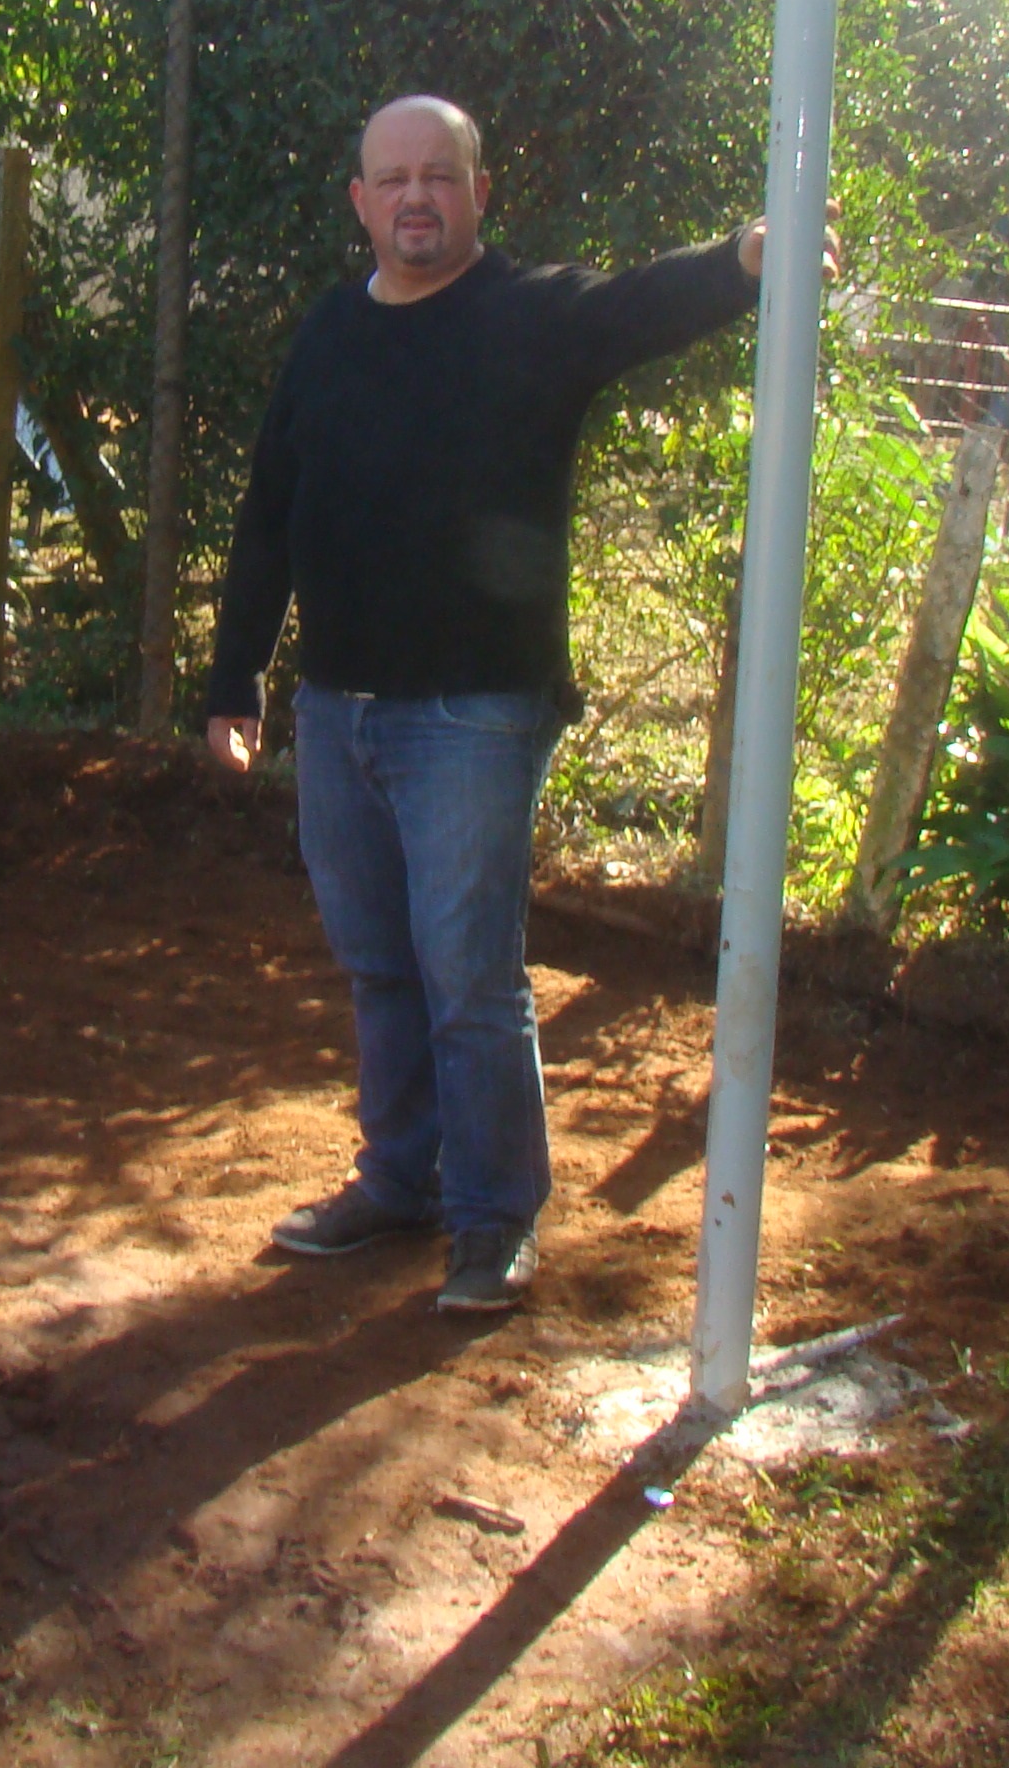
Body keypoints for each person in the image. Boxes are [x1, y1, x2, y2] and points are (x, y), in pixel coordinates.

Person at [202, 93, 794, 1315]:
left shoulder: (529, 318)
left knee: (468, 972)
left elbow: (642, 304)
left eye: (441, 174)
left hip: (473, 713)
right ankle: (401, 1180)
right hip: (339, 710)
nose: (416, 195)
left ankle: (493, 1218)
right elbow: (270, 512)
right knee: (378, 964)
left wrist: (747, 259)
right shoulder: (326, 333)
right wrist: (237, 676)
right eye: (393, 178)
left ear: (480, 193)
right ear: (361, 203)